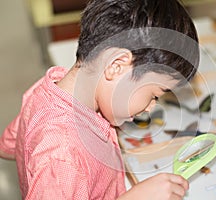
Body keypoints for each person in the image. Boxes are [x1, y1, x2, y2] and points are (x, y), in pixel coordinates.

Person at [0, 0, 200, 199]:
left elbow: (8, 146)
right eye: (154, 95)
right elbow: (52, 153)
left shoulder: (49, 88)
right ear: (116, 66)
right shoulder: (61, 154)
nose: (150, 107)